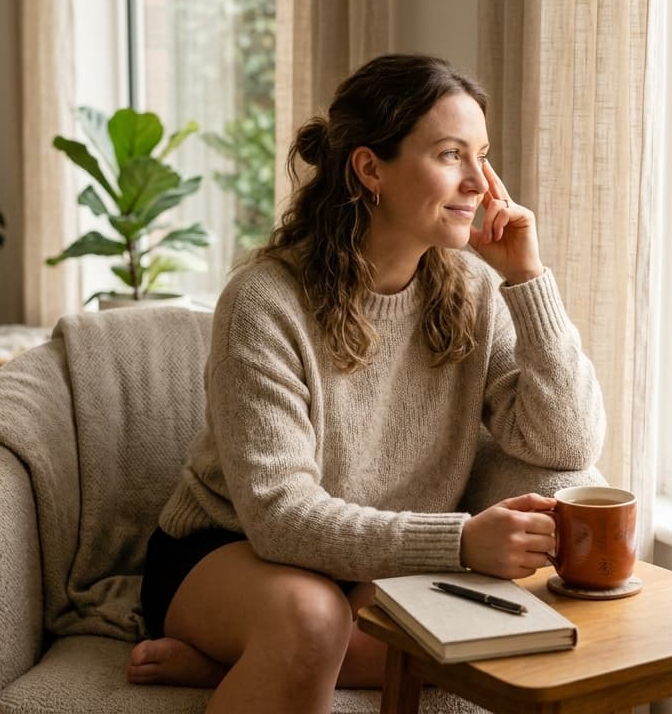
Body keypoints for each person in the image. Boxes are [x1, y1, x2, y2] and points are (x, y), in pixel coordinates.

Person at [126, 53, 607, 712]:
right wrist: (460, 542)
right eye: (450, 155)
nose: (480, 183)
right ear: (369, 167)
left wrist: (527, 279)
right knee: (312, 621)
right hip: (233, 551)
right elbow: (279, 518)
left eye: (483, 156)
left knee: (499, 635)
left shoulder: (470, 287)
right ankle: (281, 646)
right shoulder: (266, 300)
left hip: (378, 561)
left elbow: (568, 445)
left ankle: (235, 665)